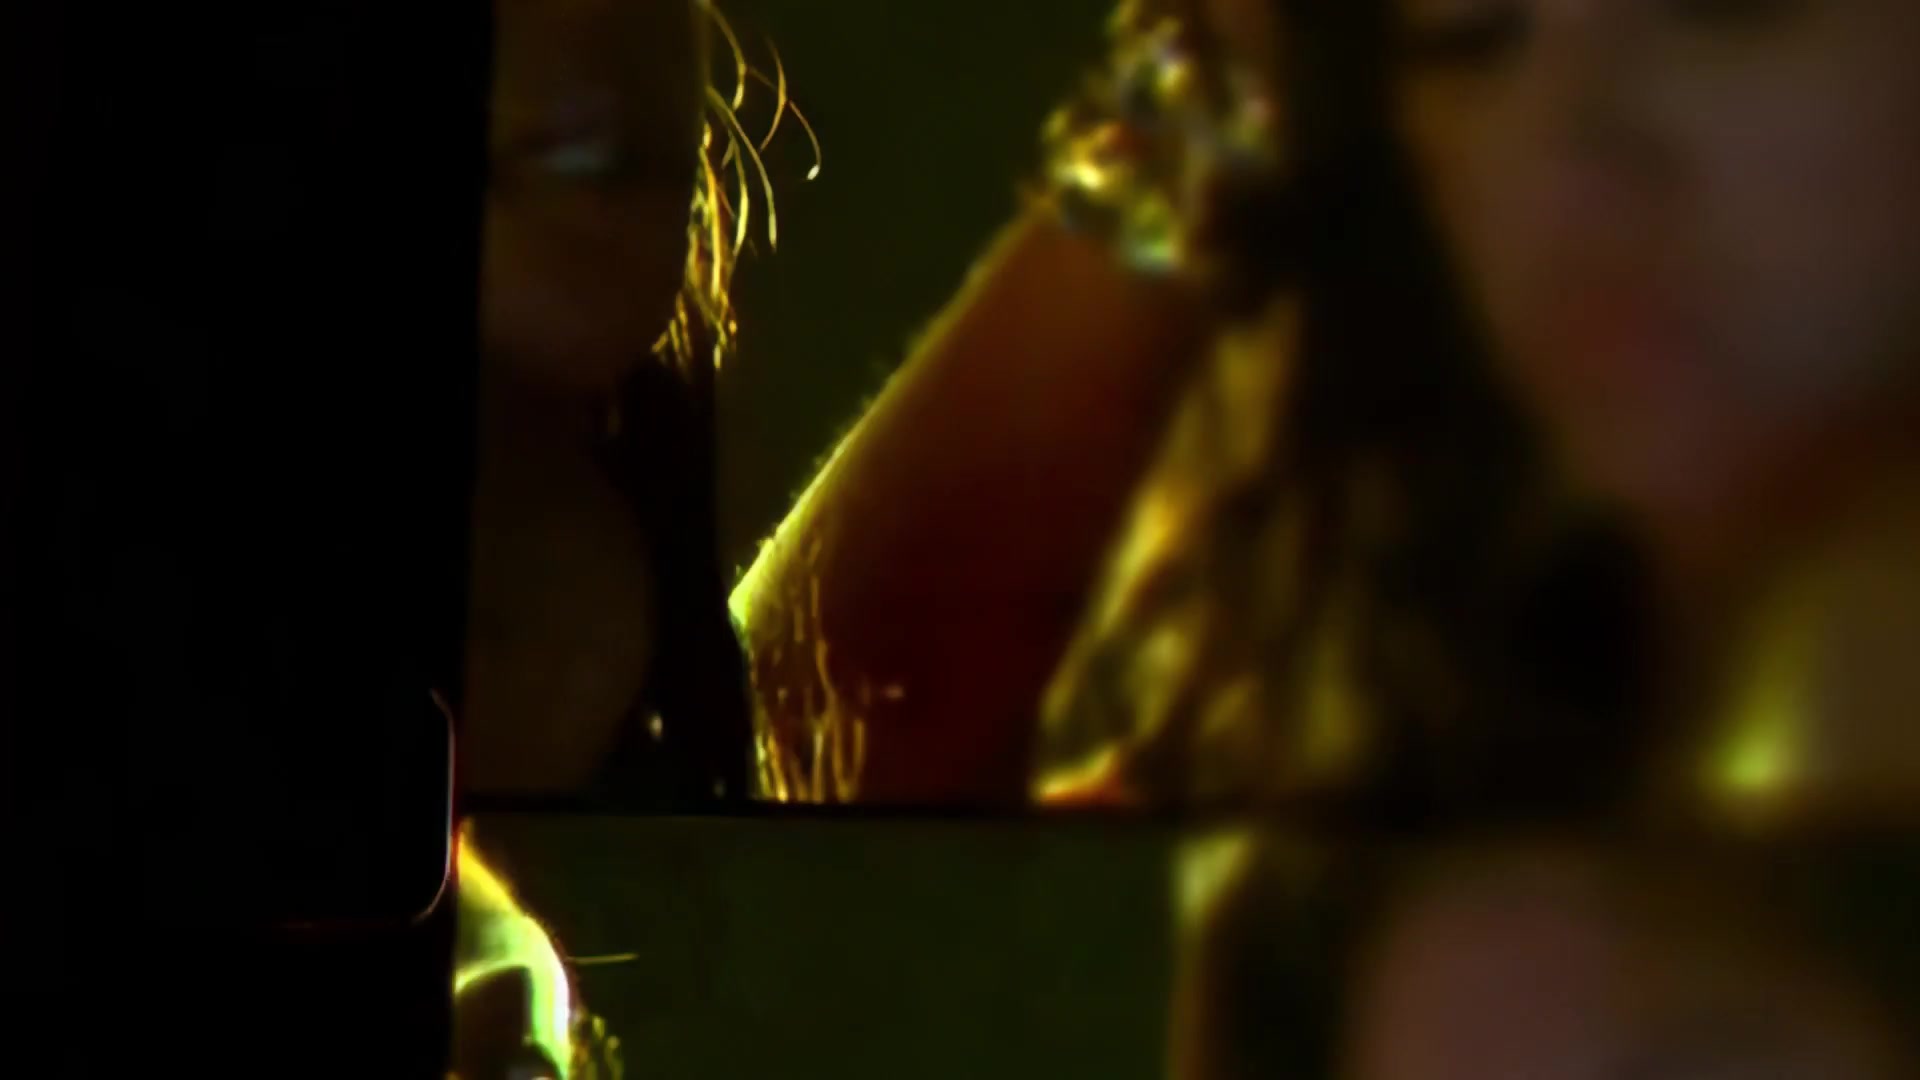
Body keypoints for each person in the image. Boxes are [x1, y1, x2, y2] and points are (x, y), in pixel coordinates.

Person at [737, 0, 1920, 824]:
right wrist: (1209, 91)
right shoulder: (1426, 785)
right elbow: (803, 775)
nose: (1566, 151)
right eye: (1467, 37)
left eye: (1724, 7)